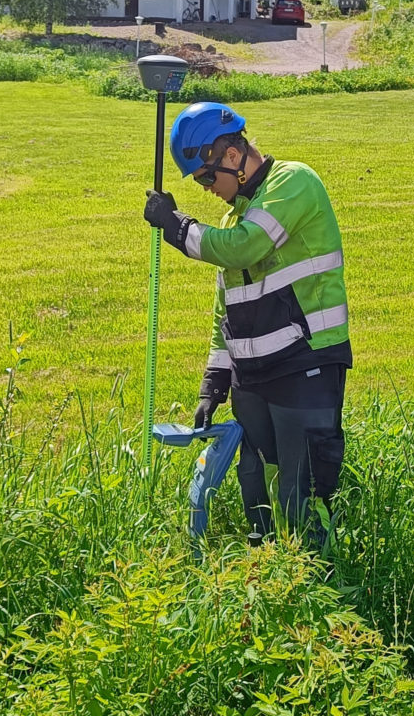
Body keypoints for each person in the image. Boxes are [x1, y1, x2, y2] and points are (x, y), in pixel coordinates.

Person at [144, 101, 351, 541]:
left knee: (303, 496)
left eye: (204, 176)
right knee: (256, 489)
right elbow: (228, 307)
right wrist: (215, 380)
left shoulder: (294, 183)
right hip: (253, 378)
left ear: (233, 157)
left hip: (304, 366)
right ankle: (264, 579)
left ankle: (315, 587)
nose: (204, 187)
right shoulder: (232, 217)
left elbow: (244, 247)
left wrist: (178, 228)